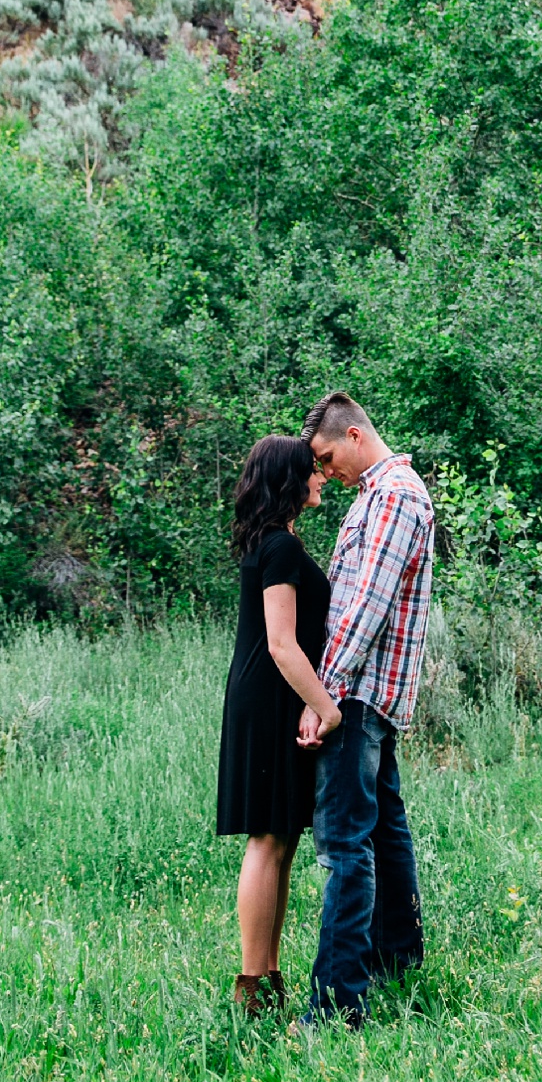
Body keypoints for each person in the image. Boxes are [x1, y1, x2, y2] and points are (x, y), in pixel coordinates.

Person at [298, 390, 434, 1026]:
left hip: (355, 693)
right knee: (383, 828)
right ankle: (397, 962)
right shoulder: (375, 496)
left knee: (347, 843)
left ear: (354, 437)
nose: (325, 472)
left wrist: (320, 696)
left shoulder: (393, 495)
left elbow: (366, 608)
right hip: (369, 691)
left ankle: (336, 1003)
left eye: (327, 458)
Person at [215, 434, 338, 1014]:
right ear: (291, 480)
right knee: (268, 839)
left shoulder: (274, 541)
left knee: (281, 839)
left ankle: (266, 977)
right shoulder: (281, 549)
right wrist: (328, 707)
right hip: (271, 697)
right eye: (313, 470)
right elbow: (283, 645)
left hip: (270, 696)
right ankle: (252, 987)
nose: (322, 478)